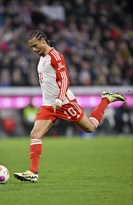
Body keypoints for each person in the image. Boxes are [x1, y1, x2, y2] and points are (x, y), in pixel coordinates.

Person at [14, 30, 126, 183]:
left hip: (64, 103)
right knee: (35, 134)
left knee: (90, 128)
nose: (34, 50)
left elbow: (65, 79)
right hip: (48, 105)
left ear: (42, 41)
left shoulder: (56, 56)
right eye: (31, 47)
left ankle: (105, 100)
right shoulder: (43, 57)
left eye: (35, 46)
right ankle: (33, 172)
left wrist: (60, 99)